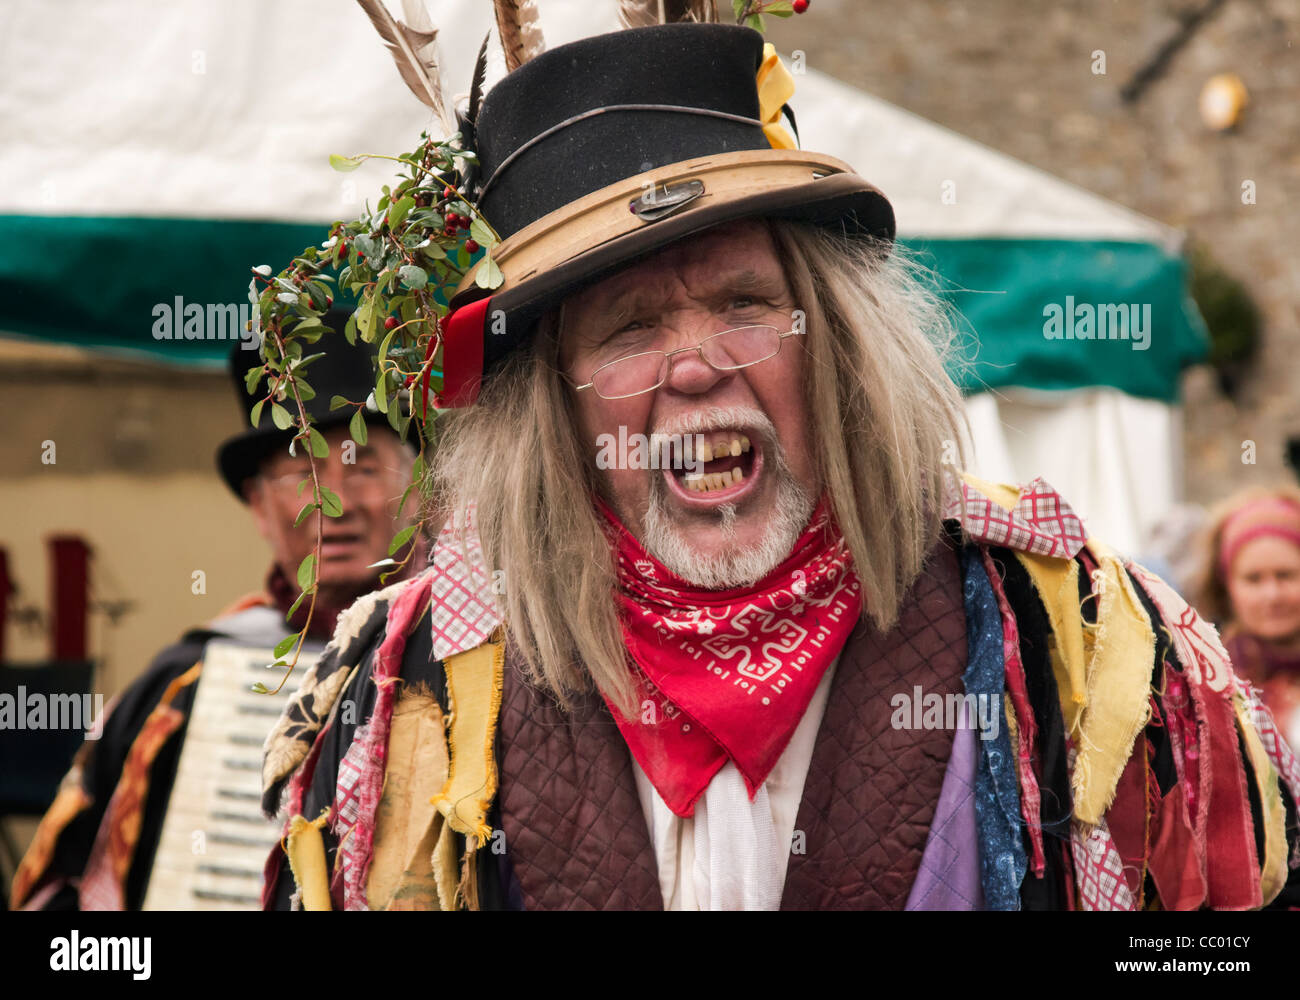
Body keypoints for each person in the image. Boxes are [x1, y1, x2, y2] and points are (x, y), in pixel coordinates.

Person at [260, 21, 1300, 911]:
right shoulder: (409, 686)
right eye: (629, 328)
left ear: (834, 345)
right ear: (553, 406)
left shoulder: (1076, 631)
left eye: (746, 306)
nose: (699, 365)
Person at [11, 312, 423, 910]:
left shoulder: (471, 658)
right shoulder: (186, 683)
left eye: (362, 467)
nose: (333, 502)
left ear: (413, 485)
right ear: (258, 506)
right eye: (301, 471)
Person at [1192, 485, 1300, 752]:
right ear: (1227, 587)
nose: (1272, 595)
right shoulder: (1203, 683)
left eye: (1286, 575)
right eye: (1253, 579)